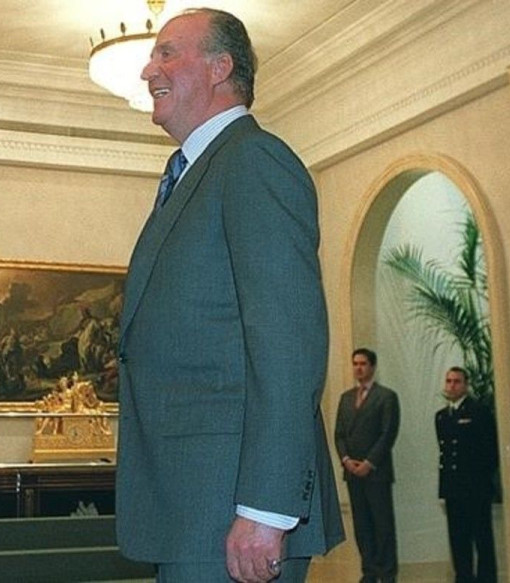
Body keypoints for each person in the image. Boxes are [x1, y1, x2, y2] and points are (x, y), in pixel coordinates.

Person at [115, 8, 344, 583]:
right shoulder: (195, 173)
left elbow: (288, 342)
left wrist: (265, 511)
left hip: (233, 512)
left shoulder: (252, 160)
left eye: (167, 53)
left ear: (220, 68)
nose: (148, 69)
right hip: (195, 507)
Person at [334, 348, 400, 583]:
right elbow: (339, 435)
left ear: (372, 366)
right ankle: (369, 572)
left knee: (383, 525)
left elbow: (387, 433)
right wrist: (346, 460)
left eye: (363, 364)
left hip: (376, 473)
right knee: (362, 526)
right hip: (352, 473)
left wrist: (369, 463)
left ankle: (387, 573)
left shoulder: (386, 397)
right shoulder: (346, 398)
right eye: (355, 364)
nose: (358, 368)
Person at [436, 367, 499, 583]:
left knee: (482, 539)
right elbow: (445, 456)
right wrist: (443, 489)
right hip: (454, 490)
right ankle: (463, 578)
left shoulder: (479, 411)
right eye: (448, 381)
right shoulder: (442, 417)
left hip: (476, 488)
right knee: (458, 540)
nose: (452, 386)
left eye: (457, 381)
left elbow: (490, 451)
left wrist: (482, 482)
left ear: (466, 385)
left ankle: (486, 579)